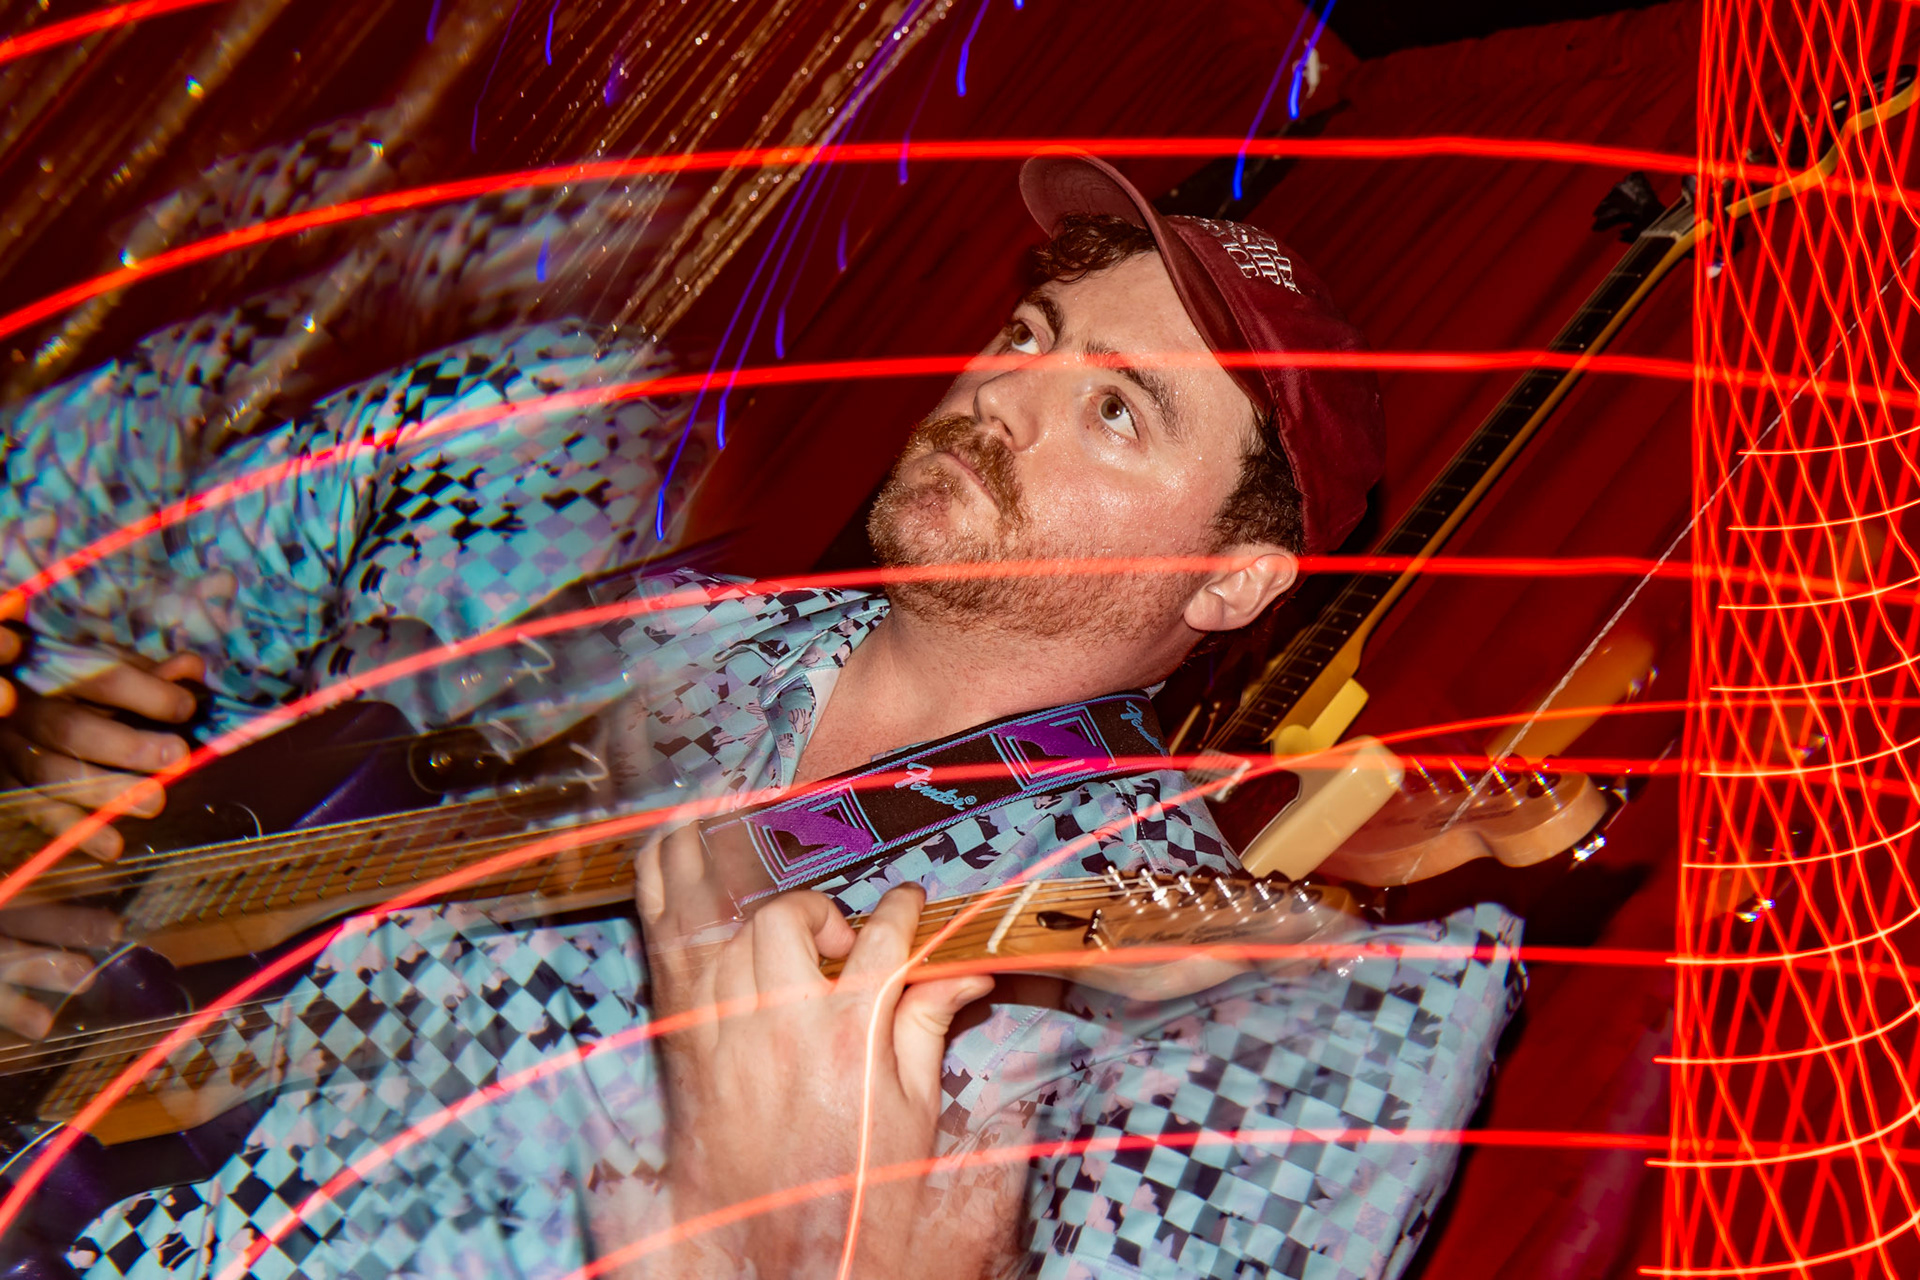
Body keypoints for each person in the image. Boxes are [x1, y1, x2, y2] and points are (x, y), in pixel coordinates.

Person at [0, 153, 1523, 1279]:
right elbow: (254, 788)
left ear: (1232, 580)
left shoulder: (1216, 1011)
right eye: (1029, 333)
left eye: (1116, 407)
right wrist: (92, 820)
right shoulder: (665, 618)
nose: (1003, 394)